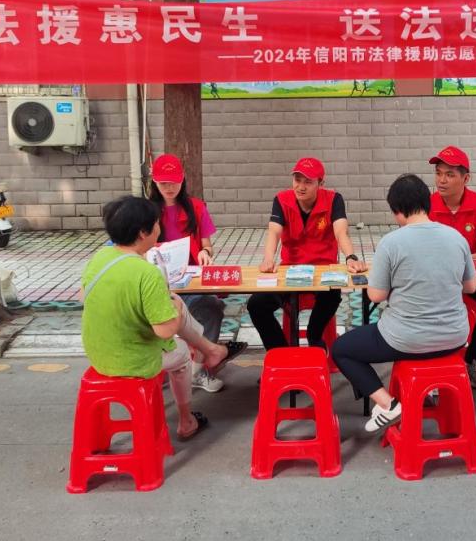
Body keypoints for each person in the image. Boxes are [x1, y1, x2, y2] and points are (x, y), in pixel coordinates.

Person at [331, 174, 476, 433]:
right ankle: (426, 400)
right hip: (454, 338)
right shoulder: (457, 238)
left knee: (342, 349)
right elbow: (470, 287)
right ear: (427, 203)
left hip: (406, 340)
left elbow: (376, 295)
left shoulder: (391, 243)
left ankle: (388, 404)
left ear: (397, 211)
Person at [80, 196, 231, 439]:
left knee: (173, 300)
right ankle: (186, 421)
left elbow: (83, 297)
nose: (159, 227)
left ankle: (210, 350)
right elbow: (165, 331)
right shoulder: (147, 273)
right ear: (143, 233)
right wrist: (176, 310)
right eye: (157, 223)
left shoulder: (100, 257)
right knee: (182, 352)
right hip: (132, 361)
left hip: (98, 355)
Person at [147, 153, 247, 393]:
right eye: (163, 183)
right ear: (154, 182)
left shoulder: (196, 207)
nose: (169, 188)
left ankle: (198, 369)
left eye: (173, 182)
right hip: (154, 284)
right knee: (157, 316)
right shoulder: (145, 212)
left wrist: (204, 252)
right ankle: (158, 367)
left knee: (211, 307)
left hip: (190, 281)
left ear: (182, 179)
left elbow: (207, 245)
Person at [248, 157, 367, 351]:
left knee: (333, 295)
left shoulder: (334, 200)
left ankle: (314, 335)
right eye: (297, 180)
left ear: (321, 183)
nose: (301, 187)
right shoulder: (281, 200)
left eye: (308, 182)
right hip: (289, 271)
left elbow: (341, 231)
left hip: (324, 270)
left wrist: (351, 257)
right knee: (256, 304)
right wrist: (268, 258)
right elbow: (274, 232)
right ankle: (281, 353)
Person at [427, 146, 476, 389]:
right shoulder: (426, 205)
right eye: (438, 173)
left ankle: (471, 361)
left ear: (466, 178)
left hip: (469, 275)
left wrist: (459, 263)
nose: (441, 180)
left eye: (449, 175)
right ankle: (431, 368)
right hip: (436, 278)